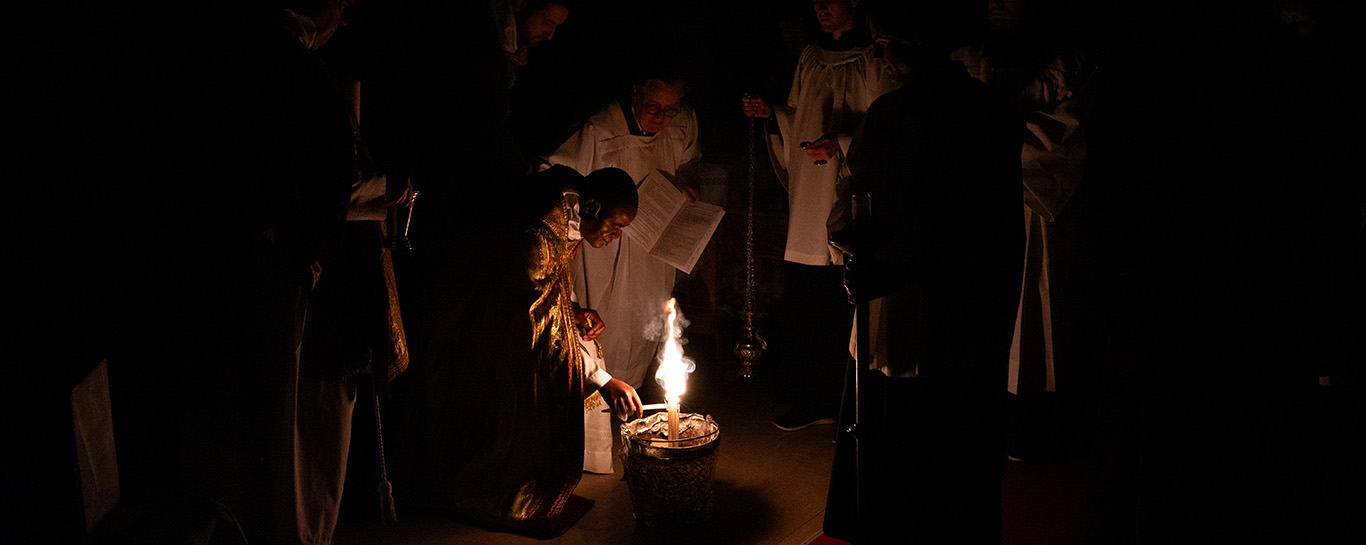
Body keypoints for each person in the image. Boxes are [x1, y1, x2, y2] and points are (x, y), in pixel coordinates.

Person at [820, 2, 1023, 541]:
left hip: (930, 318)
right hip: (940, 318)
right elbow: (857, 203)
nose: (881, 54)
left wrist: (887, 264)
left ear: (918, 45)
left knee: (919, 462)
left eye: (888, 43)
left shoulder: (912, 116)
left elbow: (977, 226)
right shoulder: (980, 111)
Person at [399, 166, 643, 537]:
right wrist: (604, 380)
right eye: (615, 225)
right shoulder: (541, 234)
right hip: (481, 325)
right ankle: (502, 488)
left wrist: (573, 310)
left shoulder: (568, 213)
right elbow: (539, 327)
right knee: (526, 389)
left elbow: (549, 297)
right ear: (592, 206)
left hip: (506, 315)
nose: (616, 236)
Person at [951, 0, 1098, 462]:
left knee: (1035, 308)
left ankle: (1031, 425)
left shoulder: (1070, 65)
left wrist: (990, 137)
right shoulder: (963, 59)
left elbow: (1064, 138)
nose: (998, 3)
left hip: (1035, 205)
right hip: (973, 206)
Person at [740, 0, 895, 431]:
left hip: (848, 187)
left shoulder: (874, 57)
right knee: (809, 294)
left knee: (844, 293)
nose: (820, 8)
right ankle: (809, 397)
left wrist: (842, 142)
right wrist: (774, 116)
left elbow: (885, 126)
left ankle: (849, 400)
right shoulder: (810, 57)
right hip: (809, 192)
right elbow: (799, 116)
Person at [544, 74, 700, 473]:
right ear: (636, 94)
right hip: (589, 267)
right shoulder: (599, 132)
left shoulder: (678, 130)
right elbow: (550, 299)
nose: (662, 118)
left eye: (671, 110)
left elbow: (689, 164)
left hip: (648, 251)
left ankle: (608, 412)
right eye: (653, 108)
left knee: (634, 321)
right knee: (600, 326)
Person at [497, 0, 571, 89]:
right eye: (547, 23)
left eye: (555, 27)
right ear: (521, 5)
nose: (550, 36)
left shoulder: (520, 54)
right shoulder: (489, 43)